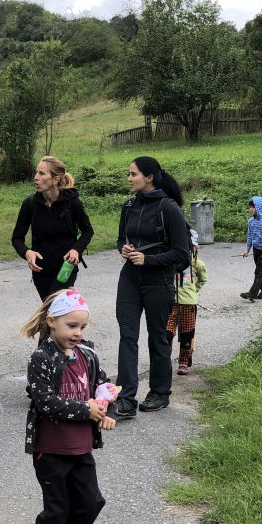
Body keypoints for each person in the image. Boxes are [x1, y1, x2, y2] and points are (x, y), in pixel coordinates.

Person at [20, 289, 117, 524]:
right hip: (51, 450)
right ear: (51, 321)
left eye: (82, 327)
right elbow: (45, 401)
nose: (77, 333)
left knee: (91, 501)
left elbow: (103, 386)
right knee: (57, 508)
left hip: (81, 447)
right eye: (71, 326)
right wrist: (84, 409)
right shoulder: (41, 358)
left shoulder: (87, 355)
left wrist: (105, 409)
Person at [115, 156, 191, 417]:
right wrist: (124, 249)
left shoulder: (169, 209)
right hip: (129, 279)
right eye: (129, 173)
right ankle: (125, 398)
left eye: (133, 174)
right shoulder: (128, 205)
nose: (129, 178)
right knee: (127, 336)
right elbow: (120, 239)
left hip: (158, 281)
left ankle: (160, 392)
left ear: (148, 177)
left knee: (157, 338)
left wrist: (149, 259)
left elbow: (182, 254)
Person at [12, 156, 95, 302]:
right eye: (36, 173)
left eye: (42, 173)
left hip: (65, 269)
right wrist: (27, 252)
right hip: (41, 271)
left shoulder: (72, 203)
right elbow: (17, 238)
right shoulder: (30, 204)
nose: (36, 178)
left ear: (55, 179)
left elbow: (88, 231)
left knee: (54, 309)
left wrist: (76, 250)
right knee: (51, 315)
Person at [169, 229, 208, 375]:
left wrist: (193, 292)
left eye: (191, 246)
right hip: (170, 302)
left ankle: (184, 362)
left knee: (187, 334)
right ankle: (164, 361)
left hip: (189, 303)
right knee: (167, 333)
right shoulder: (171, 260)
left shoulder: (197, 263)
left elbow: (203, 279)